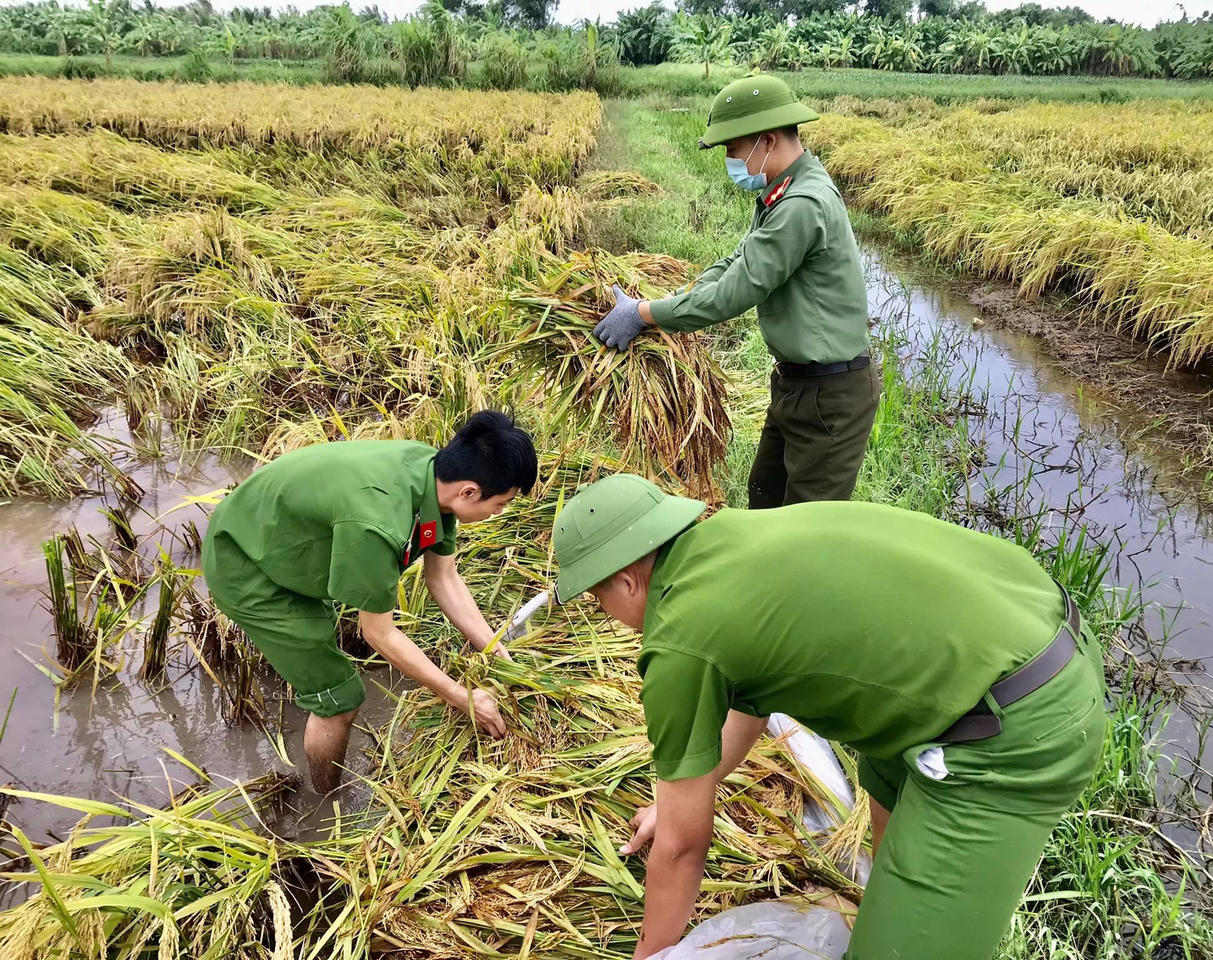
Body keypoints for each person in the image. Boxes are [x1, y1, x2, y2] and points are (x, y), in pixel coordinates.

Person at [551, 473, 1106, 960]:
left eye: (600, 601)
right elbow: (748, 705)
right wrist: (678, 798)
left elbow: (681, 848)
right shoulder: (727, 540)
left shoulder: (677, 640)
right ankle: (908, 904)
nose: (609, 616)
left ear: (626, 581)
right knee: (884, 794)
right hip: (1025, 627)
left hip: (1019, 720)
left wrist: (652, 953)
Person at [202, 411, 537, 793]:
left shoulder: (432, 474)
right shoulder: (376, 523)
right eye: (502, 504)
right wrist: (461, 697)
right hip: (247, 564)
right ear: (469, 492)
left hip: (278, 534)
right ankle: (324, 801)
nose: (501, 512)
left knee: (320, 648)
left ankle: (305, 683)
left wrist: (497, 653)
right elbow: (378, 634)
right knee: (341, 700)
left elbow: (443, 578)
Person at [591, 76, 879, 508]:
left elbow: (734, 294)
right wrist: (678, 295)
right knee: (764, 498)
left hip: (829, 397)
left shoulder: (802, 205)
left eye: (732, 149)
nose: (730, 160)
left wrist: (644, 313)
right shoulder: (780, 193)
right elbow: (736, 264)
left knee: (805, 532)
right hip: (796, 386)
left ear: (767, 140)